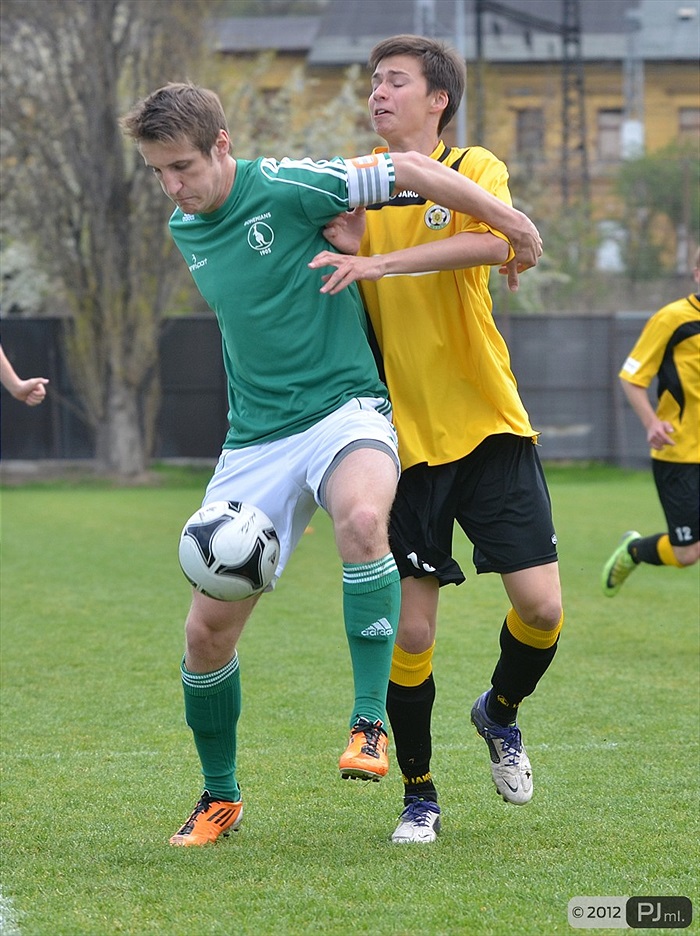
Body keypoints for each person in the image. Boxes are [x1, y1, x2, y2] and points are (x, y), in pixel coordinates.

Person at [120, 81, 544, 847]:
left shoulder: (287, 183)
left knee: (359, 518)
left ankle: (368, 722)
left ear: (223, 146)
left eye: (182, 167)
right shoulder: (187, 223)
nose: (173, 188)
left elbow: (409, 172)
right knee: (205, 636)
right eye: (158, 173)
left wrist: (509, 221)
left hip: (346, 410)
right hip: (254, 439)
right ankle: (221, 797)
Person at [309, 35, 563, 844]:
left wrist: (384, 265)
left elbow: (497, 241)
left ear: (437, 99)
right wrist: (351, 248)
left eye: (395, 82)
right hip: (402, 445)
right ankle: (419, 793)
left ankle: (500, 711)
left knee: (544, 609)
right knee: (411, 635)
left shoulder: (474, 165)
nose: (379, 94)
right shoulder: (360, 187)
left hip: (489, 424)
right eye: (374, 82)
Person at [602, 250, 700, 596]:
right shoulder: (672, 319)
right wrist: (652, 422)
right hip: (681, 454)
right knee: (688, 553)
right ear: (697, 274)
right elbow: (632, 377)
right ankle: (634, 551)